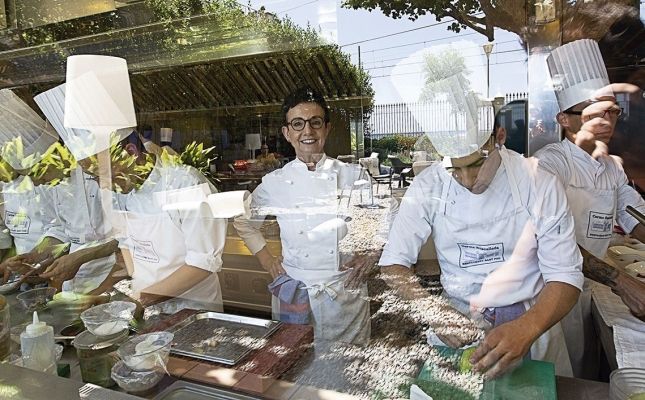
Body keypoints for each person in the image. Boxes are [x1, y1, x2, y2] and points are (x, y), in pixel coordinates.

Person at [379, 106, 584, 379]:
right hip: (459, 321)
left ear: (498, 137)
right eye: (454, 169)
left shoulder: (538, 182)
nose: (467, 180)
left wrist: (527, 327)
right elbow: (393, 263)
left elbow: (565, 275)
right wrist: (431, 309)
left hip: (532, 318)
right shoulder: (428, 186)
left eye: (476, 164)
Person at [234, 86, 383, 345]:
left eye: (315, 122)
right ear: (287, 133)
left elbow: (383, 218)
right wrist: (268, 261)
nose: (307, 131)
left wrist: (372, 253)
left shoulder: (352, 175)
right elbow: (243, 222)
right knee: (292, 364)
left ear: (326, 128)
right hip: (295, 290)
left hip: (343, 292)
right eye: (298, 123)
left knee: (346, 371)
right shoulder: (274, 182)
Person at [535, 39, 645, 378]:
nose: (607, 122)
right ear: (564, 120)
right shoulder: (550, 164)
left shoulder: (611, 167)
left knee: (584, 369)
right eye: (594, 114)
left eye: (612, 112)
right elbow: (552, 239)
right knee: (557, 375)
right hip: (549, 291)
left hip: (589, 286)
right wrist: (620, 281)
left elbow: (635, 217)